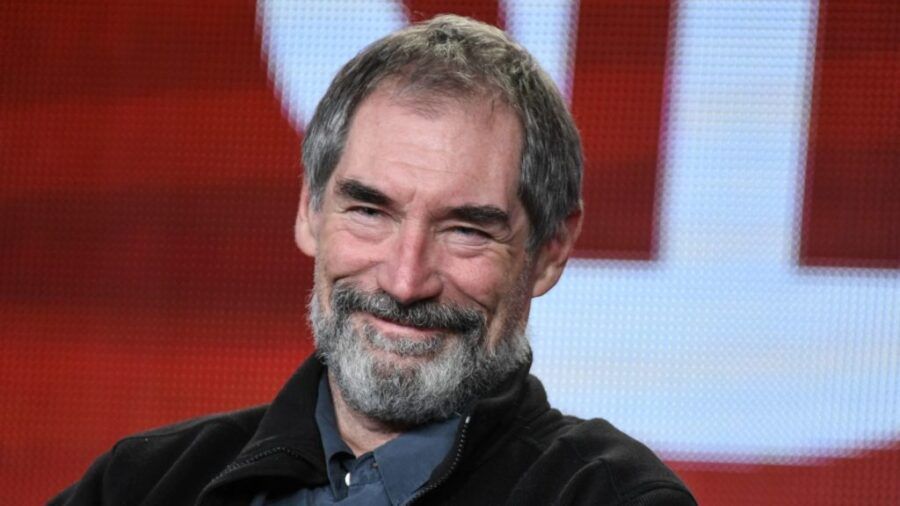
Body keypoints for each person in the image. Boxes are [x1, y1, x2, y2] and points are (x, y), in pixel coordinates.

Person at [52, 15, 696, 506]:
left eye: (466, 229)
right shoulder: (141, 485)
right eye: (369, 211)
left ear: (551, 252)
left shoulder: (610, 498)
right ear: (310, 210)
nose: (405, 280)